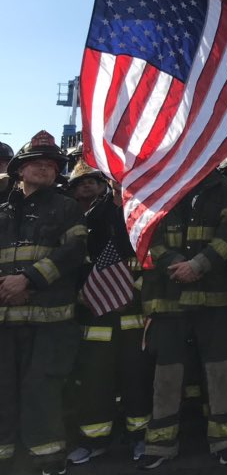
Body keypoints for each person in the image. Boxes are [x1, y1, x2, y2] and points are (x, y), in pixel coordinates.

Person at [139, 169, 227, 469]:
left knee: (220, 372)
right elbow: (149, 233)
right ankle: (160, 444)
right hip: (170, 300)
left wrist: (198, 265)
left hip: (216, 301)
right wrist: (174, 263)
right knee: (167, 374)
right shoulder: (161, 187)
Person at [0, 132, 87, 475]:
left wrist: (28, 279)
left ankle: (48, 460)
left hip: (49, 323)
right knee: (3, 390)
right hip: (5, 319)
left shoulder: (66, 207)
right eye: (37, 162)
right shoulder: (3, 211)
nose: (45, 168)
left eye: (51, 165)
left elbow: (74, 253)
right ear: (20, 170)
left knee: (42, 391)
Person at [67, 164, 152, 465]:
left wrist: (133, 292)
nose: (118, 183)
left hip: (134, 312)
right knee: (94, 380)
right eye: (114, 178)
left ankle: (139, 437)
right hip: (95, 312)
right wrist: (85, 294)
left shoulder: (145, 213)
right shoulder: (89, 217)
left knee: (137, 379)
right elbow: (76, 261)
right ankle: (94, 440)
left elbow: (154, 258)